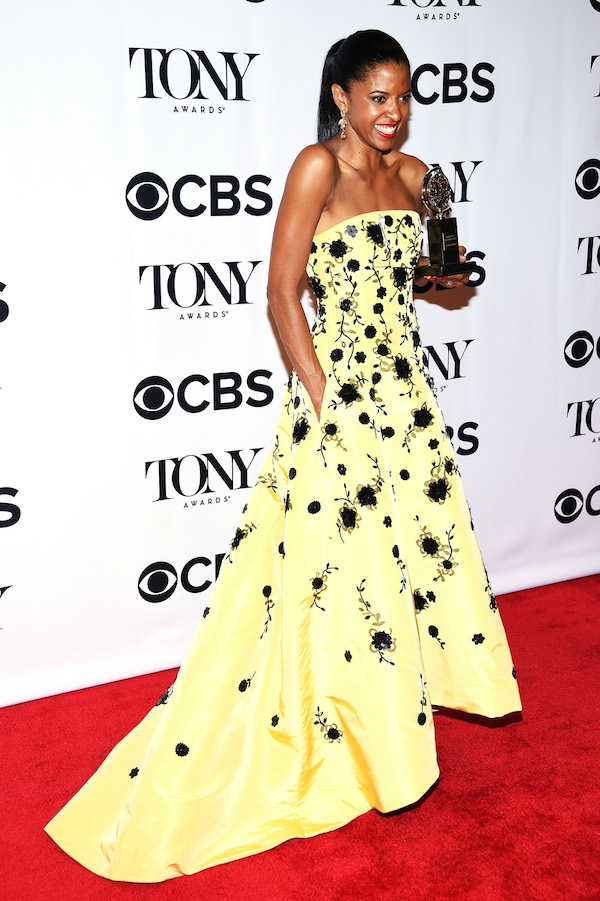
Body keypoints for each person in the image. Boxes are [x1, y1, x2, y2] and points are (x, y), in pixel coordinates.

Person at [45, 30, 521, 883]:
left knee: (399, 571)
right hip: (338, 400)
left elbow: (445, 286)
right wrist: (322, 399)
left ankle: (380, 732)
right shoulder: (316, 168)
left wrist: (449, 254)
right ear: (339, 95)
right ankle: (328, 736)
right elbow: (279, 291)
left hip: (408, 402)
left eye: (404, 97)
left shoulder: (420, 178)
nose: (395, 112)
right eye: (378, 96)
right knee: (326, 566)